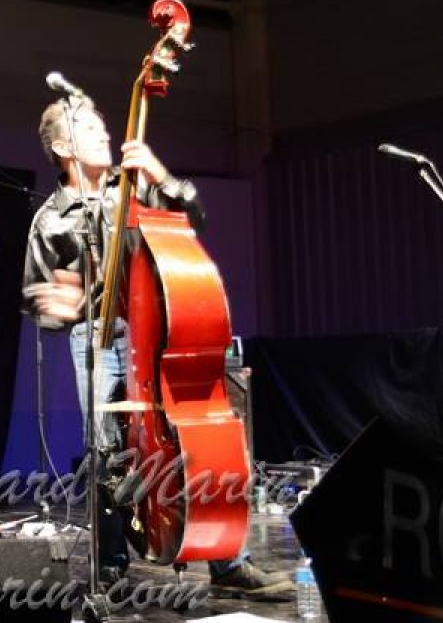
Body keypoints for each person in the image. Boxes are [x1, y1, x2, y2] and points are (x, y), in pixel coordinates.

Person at [21, 95, 293, 600]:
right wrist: (58, 308)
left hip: (160, 337)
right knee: (106, 450)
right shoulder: (49, 220)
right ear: (61, 147)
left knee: (194, 444)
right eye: (89, 128)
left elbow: (194, 219)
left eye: (103, 125)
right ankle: (112, 565)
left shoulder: (138, 188)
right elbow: (35, 299)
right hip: (95, 338)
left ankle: (227, 559)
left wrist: (160, 175)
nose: (105, 134)